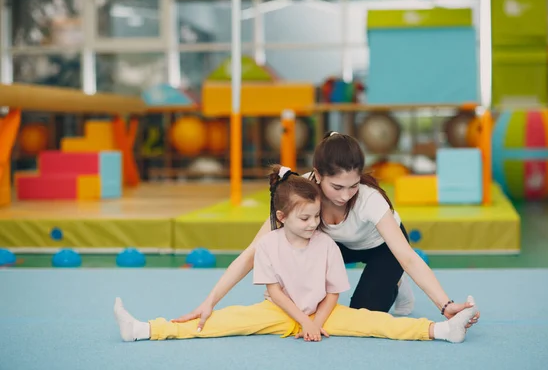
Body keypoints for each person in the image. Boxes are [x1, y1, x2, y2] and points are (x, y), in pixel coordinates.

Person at [114, 166, 478, 343]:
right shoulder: (280, 226)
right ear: (282, 217)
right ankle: (145, 329)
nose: (314, 223)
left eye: (315, 218)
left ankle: (443, 331)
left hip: (332, 305)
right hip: (281, 312)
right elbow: (262, 277)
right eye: (305, 217)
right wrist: (208, 301)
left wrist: (317, 320)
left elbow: (337, 291)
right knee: (221, 323)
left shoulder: (327, 241)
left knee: (374, 320)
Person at [173, 132, 480, 332]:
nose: (345, 195)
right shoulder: (301, 193)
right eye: (336, 187)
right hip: (330, 246)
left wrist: (445, 305)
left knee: (363, 315)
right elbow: (253, 252)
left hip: (379, 247)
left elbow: (409, 258)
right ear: (317, 176)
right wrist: (209, 301)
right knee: (322, 307)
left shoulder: (370, 201)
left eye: (353, 185)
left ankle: (393, 280)